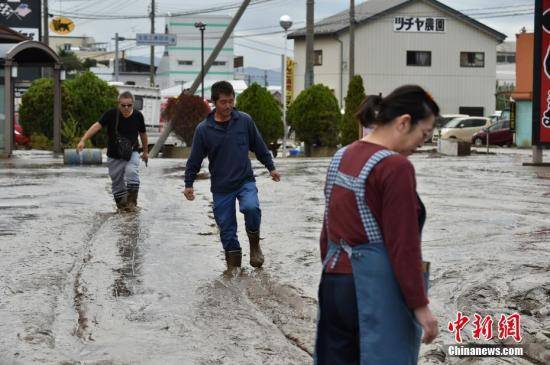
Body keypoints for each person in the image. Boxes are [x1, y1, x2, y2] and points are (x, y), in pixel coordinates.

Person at [315, 85, 439, 364]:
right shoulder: (395, 167)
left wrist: (336, 275)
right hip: (374, 290)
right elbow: (403, 245)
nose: (423, 142)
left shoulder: (341, 156)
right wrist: (420, 306)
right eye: (424, 133)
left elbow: (327, 230)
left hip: (334, 283)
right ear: (404, 122)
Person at [183, 81, 281, 270]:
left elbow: (259, 146)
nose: (228, 106)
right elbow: (194, 160)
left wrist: (271, 168)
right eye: (223, 102)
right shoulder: (204, 130)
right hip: (221, 187)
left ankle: (254, 246)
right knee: (227, 231)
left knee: (251, 208)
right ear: (214, 102)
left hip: (245, 181)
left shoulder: (244, 121)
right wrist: (189, 184)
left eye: (231, 101)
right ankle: (234, 276)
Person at [77, 91, 148, 211]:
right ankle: (122, 208)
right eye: (123, 105)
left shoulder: (138, 116)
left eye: (129, 105)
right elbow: (97, 126)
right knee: (117, 182)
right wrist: (83, 140)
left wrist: (145, 152)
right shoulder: (111, 114)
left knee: (132, 172)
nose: (126, 108)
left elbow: (143, 134)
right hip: (114, 155)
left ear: (133, 104)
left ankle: (132, 205)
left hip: (132, 152)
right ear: (118, 103)